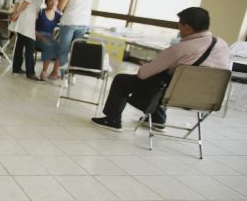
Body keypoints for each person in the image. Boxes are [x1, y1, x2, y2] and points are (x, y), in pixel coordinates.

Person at [92, 7, 231, 132]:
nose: (179, 30)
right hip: (207, 98)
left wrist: (148, 66)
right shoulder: (222, 44)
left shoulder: (179, 49)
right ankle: (158, 120)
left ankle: (112, 119)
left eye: (180, 26)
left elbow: (143, 74)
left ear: (188, 27)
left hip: (174, 94)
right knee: (169, 80)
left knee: (123, 80)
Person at [9, 0, 58, 80]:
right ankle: (30, 72)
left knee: (20, 44)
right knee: (30, 46)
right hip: (27, 18)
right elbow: (27, 0)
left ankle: (16, 68)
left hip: (24, 17)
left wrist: (16, 12)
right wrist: (16, 14)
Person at [57, 0, 96, 83]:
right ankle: (72, 77)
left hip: (69, 22)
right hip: (84, 22)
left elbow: (60, 7)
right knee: (76, 51)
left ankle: (64, 77)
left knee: (64, 50)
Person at [35, 0, 62, 80]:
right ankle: (44, 71)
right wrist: (39, 36)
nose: (54, 3)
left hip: (50, 38)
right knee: (49, 45)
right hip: (37, 37)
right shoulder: (40, 12)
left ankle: (54, 73)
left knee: (61, 47)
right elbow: (31, 26)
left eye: (56, 0)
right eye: (51, 0)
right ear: (46, 1)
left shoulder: (58, 15)